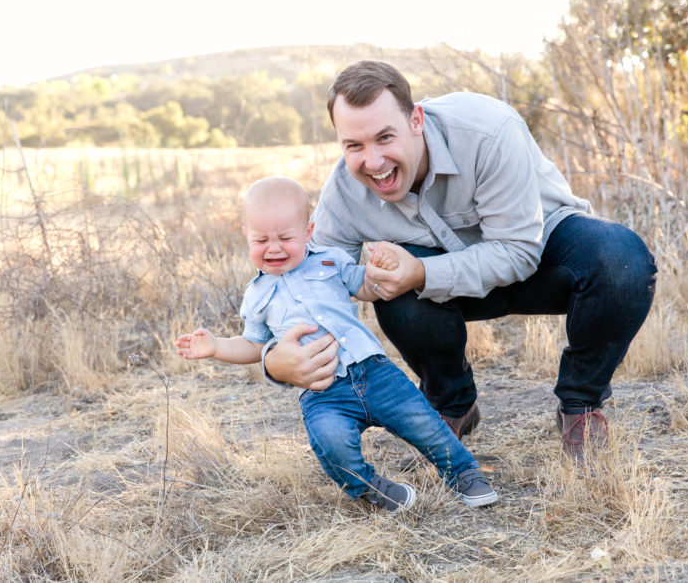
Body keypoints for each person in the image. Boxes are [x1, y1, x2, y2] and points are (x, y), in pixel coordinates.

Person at [263, 60, 657, 463]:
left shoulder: (487, 131)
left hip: (545, 255)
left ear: (415, 119)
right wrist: (275, 358)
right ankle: (451, 406)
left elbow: (519, 252)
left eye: (385, 137)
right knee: (389, 284)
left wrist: (420, 272)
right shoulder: (344, 193)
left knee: (621, 261)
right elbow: (311, 287)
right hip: (446, 288)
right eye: (354, 146)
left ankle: (582, 404)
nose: (374, 161)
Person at [175, 176, 498, 512]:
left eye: (286, 237)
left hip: (373, 372)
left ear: (308, 232)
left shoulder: (331, 261)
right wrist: (215, 347)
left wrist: (378, 269)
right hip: (321, 391)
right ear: (245, 235)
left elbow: (368, 287)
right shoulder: (255, 296)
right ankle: (372, 488)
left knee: (423, 422)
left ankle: (462, 472)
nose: (273, 248)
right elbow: (253, 344)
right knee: (331, 445)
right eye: (260, 240)